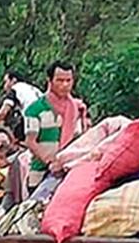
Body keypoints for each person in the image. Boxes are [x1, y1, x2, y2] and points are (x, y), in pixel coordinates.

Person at [23, 61, 90, 190]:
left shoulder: (77, 108)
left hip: (69, 170)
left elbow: (81, 138)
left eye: (68, 80)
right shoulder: (35, 109)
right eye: (60, 80)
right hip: (41, 172)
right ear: (50, 80)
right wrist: (50, 162)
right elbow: (30, 141)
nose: (64, 85)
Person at [0, 70, 43, 141]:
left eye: (5, 82)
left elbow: (3, 112)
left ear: (13, 80)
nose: (4, 87)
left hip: (34, 123)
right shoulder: (34, 89)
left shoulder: (16, 89)